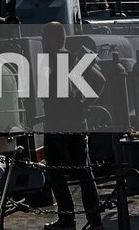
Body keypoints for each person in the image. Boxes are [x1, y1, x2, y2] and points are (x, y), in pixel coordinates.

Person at [39, 21, 104, 230]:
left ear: (54, 38)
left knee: (56, 174)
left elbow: (46, 83)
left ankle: (67, 221)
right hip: (78, 121)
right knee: (85, 173)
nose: (42, 41)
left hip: (56, 124)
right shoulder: (75, 56)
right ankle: (95, 221)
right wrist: (86, 105)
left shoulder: (50, 59)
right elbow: (100, 80)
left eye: (44, 38)